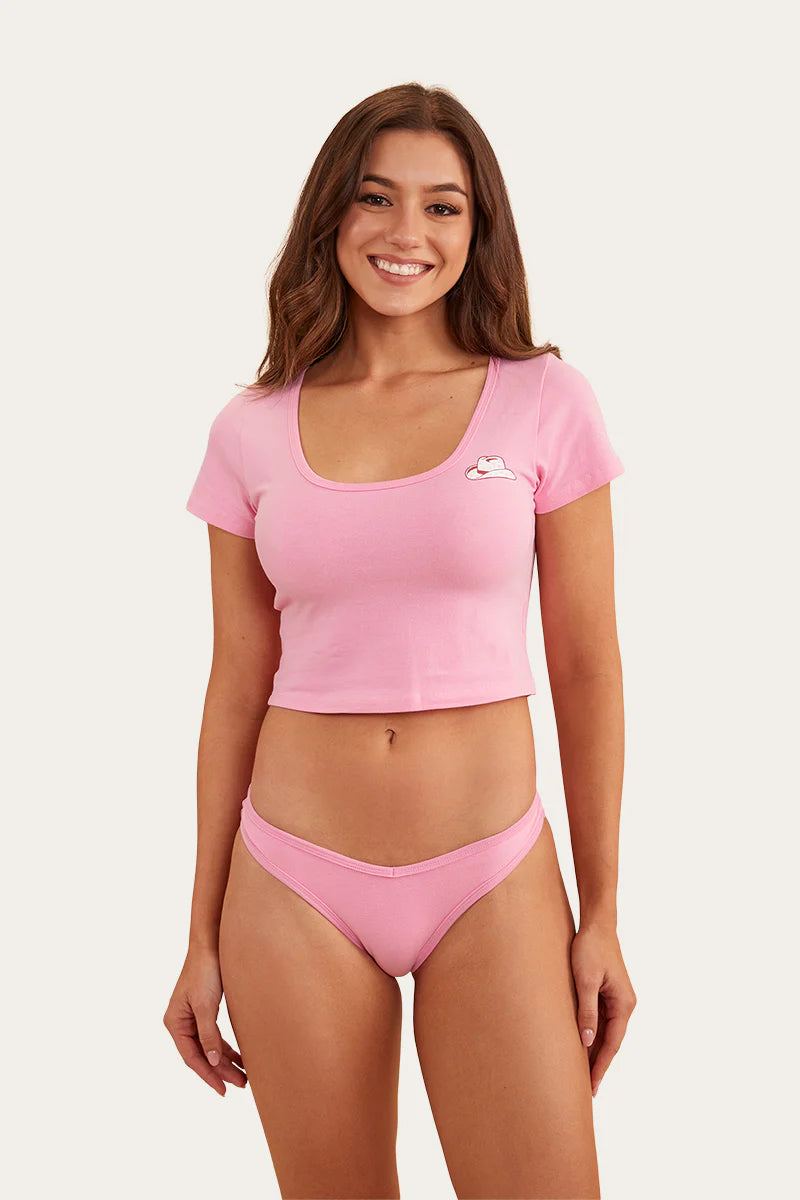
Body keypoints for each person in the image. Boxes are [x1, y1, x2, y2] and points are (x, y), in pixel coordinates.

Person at [164, 81, 636, 1200]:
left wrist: (604, 913)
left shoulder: (543, 400)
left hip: (492, 870)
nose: (406, 232)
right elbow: (235, 684)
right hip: (291, 877)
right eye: (376, 198)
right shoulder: (249, 429)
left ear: (477, 231)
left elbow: (586, 668)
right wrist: (200, 932)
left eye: (442, 206)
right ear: (332, 214)